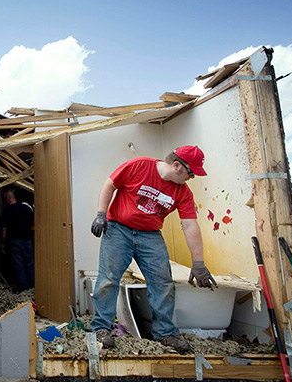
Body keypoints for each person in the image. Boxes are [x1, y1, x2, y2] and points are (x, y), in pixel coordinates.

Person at [89, 146, 216, 352]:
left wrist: (198, 263)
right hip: (118, 229)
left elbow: (190, 225)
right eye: (191, 173)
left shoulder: (183, 192)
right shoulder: (139, 166)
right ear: (177, 166)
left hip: (150, 235)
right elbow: (110, 184)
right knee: (108, 279)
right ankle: (101, 330)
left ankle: (165, 334)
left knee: (162, 282)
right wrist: (101, 214)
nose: (192, 178)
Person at [0, 189, 35, 292]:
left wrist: (2, 244)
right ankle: (33, 287)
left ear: (7, 199)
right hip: (27, 240)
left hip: (14, 241)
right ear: (14, 197)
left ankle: (23, 288)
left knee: (19, 265)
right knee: (30, 263)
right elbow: (33, 224)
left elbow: (3, 230)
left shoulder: (7, 211)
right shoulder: (26, 208)